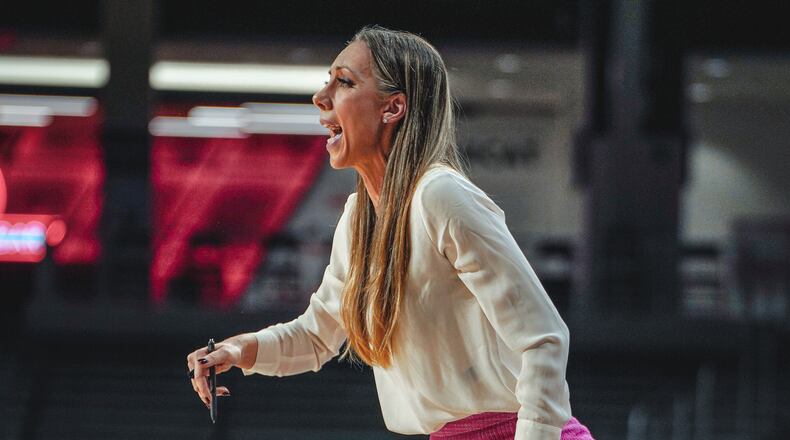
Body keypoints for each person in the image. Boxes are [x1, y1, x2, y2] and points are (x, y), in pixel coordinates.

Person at [187, 26, 594, 440]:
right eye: (327, 80)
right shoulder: (358, 218)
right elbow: (316, 335)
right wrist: (239, 351)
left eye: (343, 82)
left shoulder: (441, 196)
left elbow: (544, 337)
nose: (320, 97)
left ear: (393, 108)